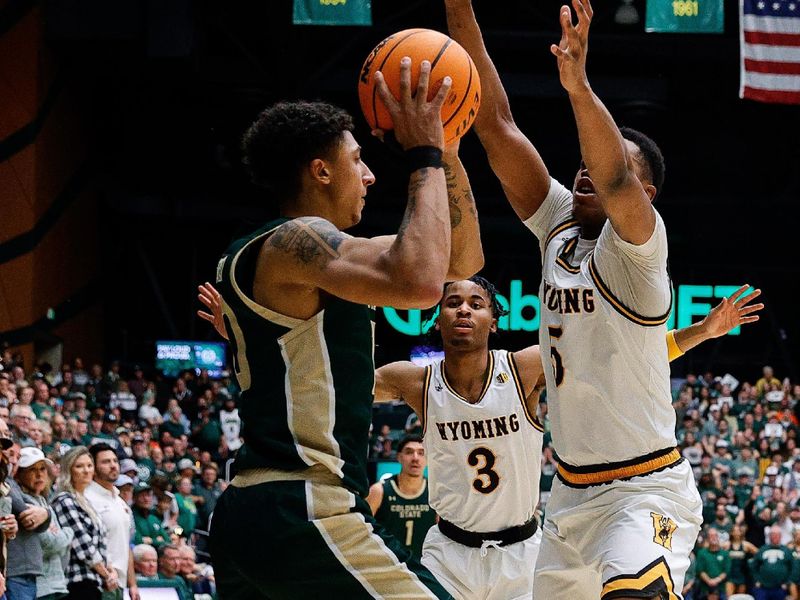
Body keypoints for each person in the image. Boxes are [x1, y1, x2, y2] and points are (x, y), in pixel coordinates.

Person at [443, 1, 765, 597]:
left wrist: (578, 85)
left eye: (603, 165)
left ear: (646, 195)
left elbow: (613, 175)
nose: (585, 173)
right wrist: (459, 11)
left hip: (644, 489)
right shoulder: (559, 223)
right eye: (581, 166)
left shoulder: (640, 251)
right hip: (568, 497)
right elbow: (498, 125)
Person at [202, 52, 484, 598]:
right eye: (358, 160)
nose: (370, 174)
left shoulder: (309, 262)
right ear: (321, 170)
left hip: (256, 511)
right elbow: (424, 283)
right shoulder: (292, 242)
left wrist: (446, 150)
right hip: (305, 505)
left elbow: (461, 261)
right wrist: (421, 153)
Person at [51, 446, 117, 599]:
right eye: (79, 466)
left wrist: (110, 570)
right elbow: (84, 548)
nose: (86, 470)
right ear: (69, 470)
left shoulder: (86, 502)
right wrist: (107, 574)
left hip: (94, 582)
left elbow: (101, 545)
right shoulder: (64, 501)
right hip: (76, 583)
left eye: (89, 465)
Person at [366, 435, 436, 560]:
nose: (415, 458)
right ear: (399, 457)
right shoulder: (379, 490)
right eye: (409, 452)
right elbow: (362, 530)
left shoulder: (435, 493)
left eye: (421, 453)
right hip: (386, 564)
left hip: (424, 566)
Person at [84, 444, 140, 600]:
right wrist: (105, 572)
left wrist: (133, 583)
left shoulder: (120, 501)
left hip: (119, 583)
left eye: (115, 461)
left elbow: (126, 544)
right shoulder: (87, 497)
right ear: (93, 467)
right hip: (98, 581)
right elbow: (87, 544)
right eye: (106, 462)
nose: (113, 465)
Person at [750, 525, 792, 600]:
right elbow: (753, 566)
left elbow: (792, 568)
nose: (775, 537)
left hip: (780, 588)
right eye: (773, 534)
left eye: (777, 535)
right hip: (762, 588)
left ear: (780, 536)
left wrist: (787, 583)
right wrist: (756, 580)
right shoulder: (762, 549)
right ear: (769, 536)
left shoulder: (786, 551)